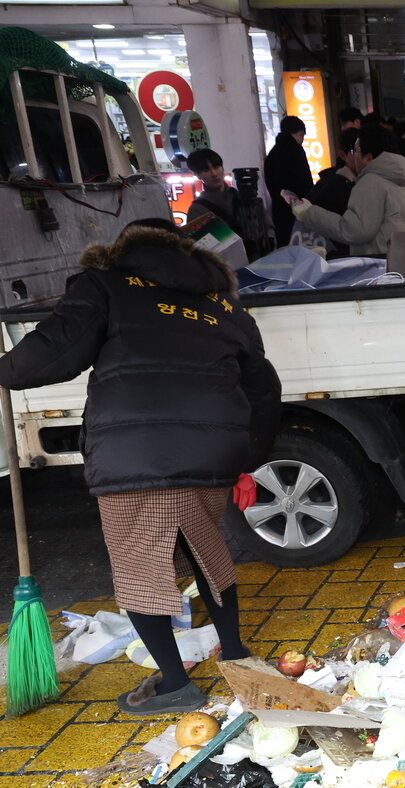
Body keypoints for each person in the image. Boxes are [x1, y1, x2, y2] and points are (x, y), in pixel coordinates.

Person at [0, 218, 281, 715]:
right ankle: (237, 656)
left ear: (124, 249)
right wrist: (245, 460)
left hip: (137, 458)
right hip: (211, 457)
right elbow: (262, 387)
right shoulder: (221, 303)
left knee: (139, 571)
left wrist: (6, 369)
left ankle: (176, 684)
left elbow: (48, 355)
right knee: (206, 554)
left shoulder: (106, 284)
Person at [291, 123, 405, 256]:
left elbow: (354, 231)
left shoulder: (371, 181)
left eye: (356, 151)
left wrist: (309, 213)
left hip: (381, 265)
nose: (354, 156)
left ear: (368, 158)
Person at [297, 129, 359, 257]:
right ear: (343, 155)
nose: (362, 157)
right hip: (336, 255)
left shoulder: (335, 180)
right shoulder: (336, 183)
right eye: (356, 152)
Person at [264, 115, 315, 247]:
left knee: (286, 248)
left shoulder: (272, 153)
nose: (302, 140)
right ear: (299, 133)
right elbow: (305, 183)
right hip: (297, 211)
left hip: (279, 211)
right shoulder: (296, 150)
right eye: (302, 136)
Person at [185, 148, 244, 239]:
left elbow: (266, 224)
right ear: (197, 175)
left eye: (216, 167)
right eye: (206, 170)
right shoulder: (197, 209)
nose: (214, 173)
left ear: (222, 168)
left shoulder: (241, 197)